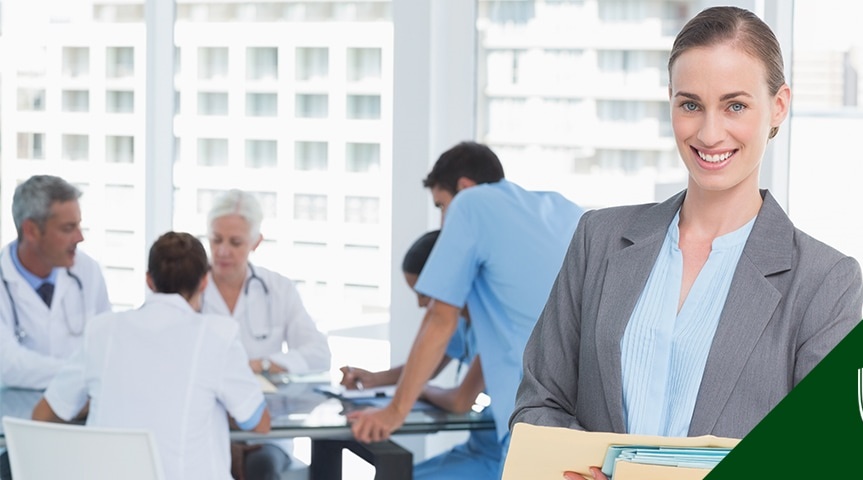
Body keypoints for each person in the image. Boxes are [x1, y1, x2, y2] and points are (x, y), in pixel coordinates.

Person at [508, 7, 863, 480]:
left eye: (735, 105)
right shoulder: (599, 239)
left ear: (778, 106)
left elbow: (825, 456)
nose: (709, 133)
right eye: (690, 104)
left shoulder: (824, 281)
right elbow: (539, 404)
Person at [347, 141, 584, 475]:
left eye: (441, 206)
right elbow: (446, 344)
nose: (444, 222)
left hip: (527, 430)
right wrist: (379, 379)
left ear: (464, 188)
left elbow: (439, 322)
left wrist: (394, 411)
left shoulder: (472, 204)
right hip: (578, 424)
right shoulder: (561, 209)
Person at [31, 231, 271, 480]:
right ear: (204, 281)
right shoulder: (218, 335)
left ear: (148, 280)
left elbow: (43, 414)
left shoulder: (102, 331)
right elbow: (259, 424)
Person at [340, 230, 502, 479]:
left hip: (501, 458)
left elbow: (460, 401)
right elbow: (426, 366)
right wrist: (373, 378)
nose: (420, 305)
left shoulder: (497, 328)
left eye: (424, 294)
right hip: (476, 449)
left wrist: (421, 390)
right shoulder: (463, 323)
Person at [202, 189, 332, 479]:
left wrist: (263, 364)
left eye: (235, 242)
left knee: (262, 470)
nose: (223, 251)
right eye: (216, 239)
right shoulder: (189, 289)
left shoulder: (278, 289)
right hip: (205, 424)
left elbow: (319, 355)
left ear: (255, 242)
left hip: (265, 432)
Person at [0, 175, 112, 390]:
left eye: (78, 226)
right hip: (13, 415)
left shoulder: (88, 271)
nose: (80, 237)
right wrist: (84, 372)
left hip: (81, 411)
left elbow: (107, 346)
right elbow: (8, 365)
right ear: (31, 231)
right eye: (68, 229)